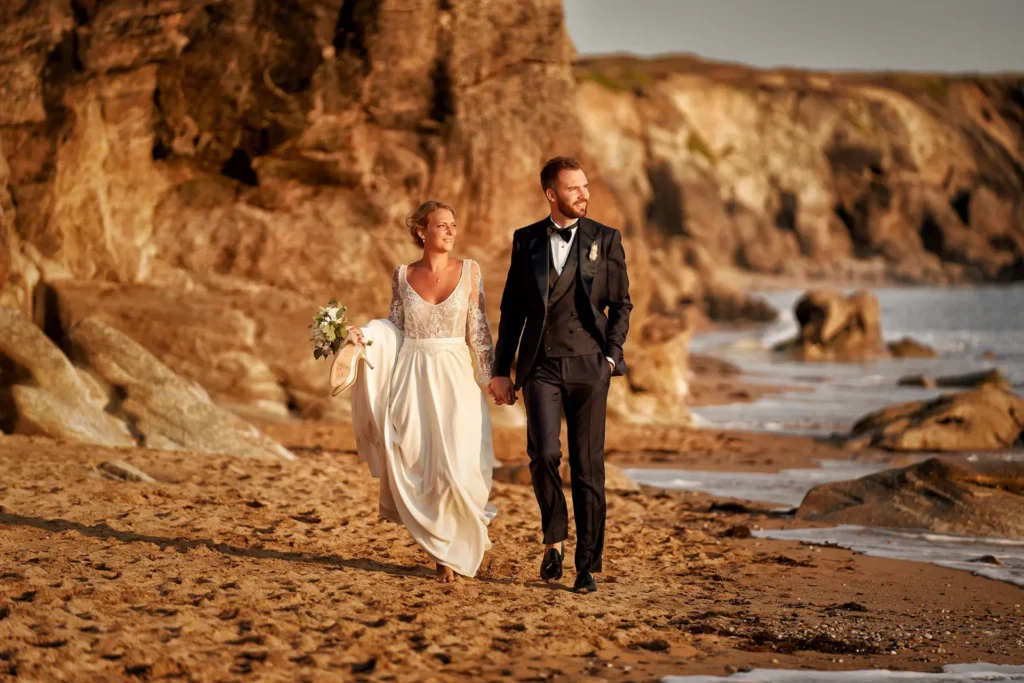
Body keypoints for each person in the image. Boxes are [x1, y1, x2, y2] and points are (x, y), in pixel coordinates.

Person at [332, 200, 497, 584]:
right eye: (442, 225)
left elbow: (480, 330)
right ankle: (443, 556)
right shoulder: (402, 275)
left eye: (453, 224)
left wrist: (492, 378)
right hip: (412, 374)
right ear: (422, 231)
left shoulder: (470, 271)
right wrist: (363, 335)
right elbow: (394, 325)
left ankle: (462, 538)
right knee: (421, 463)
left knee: (459, 465)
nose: (451, 231)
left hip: (456, 376)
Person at [489, 156, 632, 594]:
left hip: (590, 366)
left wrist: (610, 358)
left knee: (588, 467)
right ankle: (554, 538)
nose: (583, 194)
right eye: (573, 189)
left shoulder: (606, 239)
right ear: (552, 194)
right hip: (542, 366)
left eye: (585, 186)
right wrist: (500, 369)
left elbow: (621, 304)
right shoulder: (526, 240)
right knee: (544, 454)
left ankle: (586, 564)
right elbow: (512, 309)